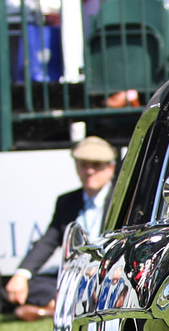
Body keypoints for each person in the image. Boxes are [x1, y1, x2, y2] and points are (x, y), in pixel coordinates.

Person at [7, 136, 117, 320]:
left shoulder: (122, 200)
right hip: (74, 275)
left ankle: (59, 307)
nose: (89, 171)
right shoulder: (67, 202)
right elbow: (49, 241)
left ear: (111, 168)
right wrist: (21, 274)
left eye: (96, 165)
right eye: (83, 165)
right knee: (25, 284)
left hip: (109, 273)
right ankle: (70, 305)